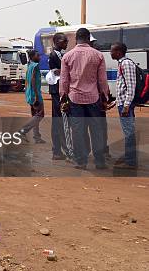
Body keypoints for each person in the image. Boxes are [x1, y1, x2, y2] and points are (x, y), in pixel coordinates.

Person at [59, 28, 109, 170]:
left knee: (78, 131)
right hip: (93, 98)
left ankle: (81, 161)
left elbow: (64, 81)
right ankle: (99, 161)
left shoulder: (67, 56)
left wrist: (63, 98)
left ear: (76, 39)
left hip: (75, 99)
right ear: (88, 38)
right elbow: (102, 80)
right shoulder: (98, 55)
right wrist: (105, 97)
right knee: (97, 130)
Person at [110, 42, 138, 169]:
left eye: (112, 51)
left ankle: (131, 162)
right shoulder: (121, 63)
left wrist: (126, 105)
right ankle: (129, 159)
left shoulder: (126, 63)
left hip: (126, 105)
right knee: (128, 131)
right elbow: (123, 88)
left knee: (129, 132)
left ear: (119, 52)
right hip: (122, 103)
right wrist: (116, 102)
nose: (110, 53)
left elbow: (131, 86)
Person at [47, 33, 68, 159]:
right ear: (57, 42)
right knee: (58, 120)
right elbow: (57, 71)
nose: (66, 43)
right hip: (56, 91)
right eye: (64, 41)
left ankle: (59, 149)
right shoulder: (54, 55)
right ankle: (57, 150)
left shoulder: (60, 54)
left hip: (58, 90)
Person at [19, 50, 46, 144]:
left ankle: (37, 137)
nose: (39, 57)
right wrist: (36, 97)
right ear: (32, 57)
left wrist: (28, 94)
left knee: (35, 115)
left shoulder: (29, 65)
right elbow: (33, 80)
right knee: (40, 115)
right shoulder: (35, 66)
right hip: (35, 95)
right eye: (38, 55)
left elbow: (27, 81)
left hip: (30, 94)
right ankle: (23, 130)